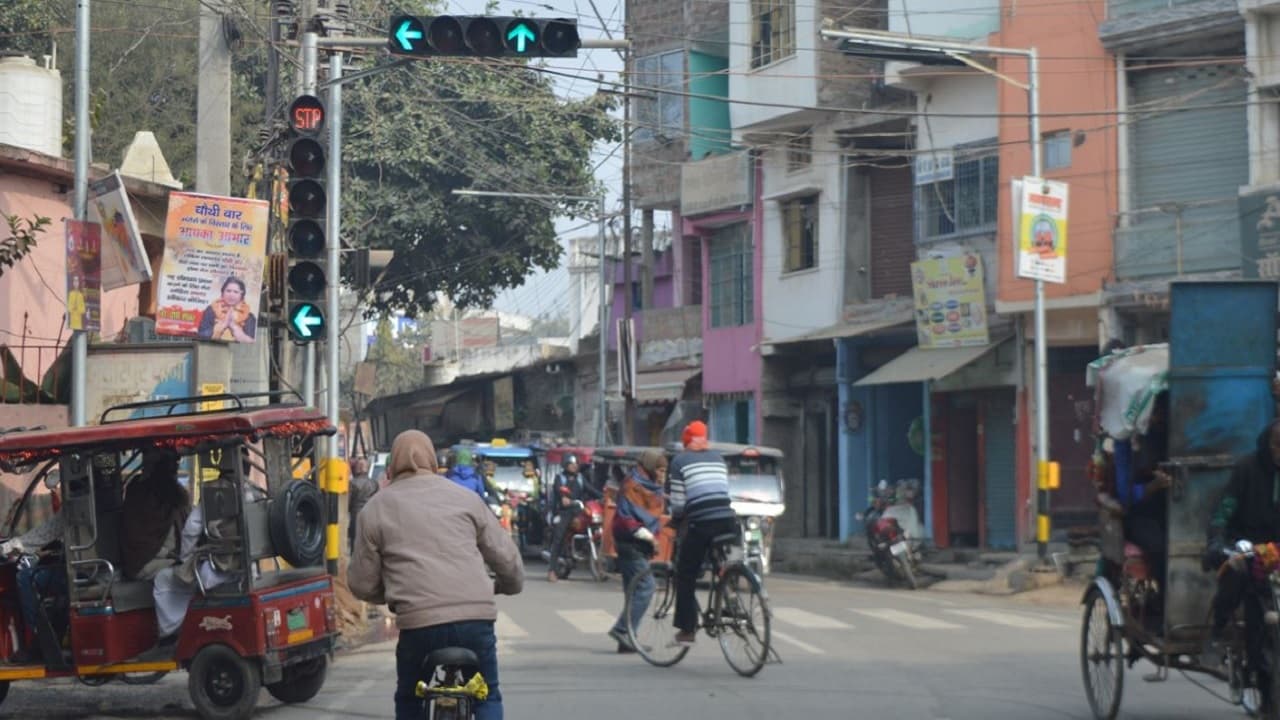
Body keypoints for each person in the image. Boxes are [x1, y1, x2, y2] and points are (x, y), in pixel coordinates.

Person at [348, 430, 523, 720]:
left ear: (392, 466)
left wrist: (394, 593)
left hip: (418, 626)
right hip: (475, 622)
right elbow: (507, 559)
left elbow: (361, 583)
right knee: (487, 694)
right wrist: (506, 585)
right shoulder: (466, 498)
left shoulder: (374, 509)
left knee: (408, 698)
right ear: (433, 461)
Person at [1205, 419, 1280, 714]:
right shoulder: (1247, 470)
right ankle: (1217, 630)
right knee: (1238, 576)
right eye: (1276, 445)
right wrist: (1218, 539)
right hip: (1247, 545)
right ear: (1267, 445)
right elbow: (1224, 509)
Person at [667, 420, 737, 647]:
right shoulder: (718, 458)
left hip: (702, 523)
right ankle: (730, 598)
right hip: (728, 520)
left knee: (685, 573)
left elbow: (678, 504)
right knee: (720, 562)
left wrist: (675, 521)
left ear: (686, 440)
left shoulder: (679, 461)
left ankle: (687, 630)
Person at [607, 449, 666, 654]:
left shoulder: (651, 486)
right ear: (650, 467)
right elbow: (626, 519)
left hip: (638, 546)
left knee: (632, 591)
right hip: (630, 543)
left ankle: (627, 640)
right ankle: (622, 630)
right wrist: (650, 537)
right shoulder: (633, 485)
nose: (662, 474)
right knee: (646, 587)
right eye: (659, 469)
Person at [120, 448, 189, 581]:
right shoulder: (140, 493)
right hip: (144, 563)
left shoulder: (177, 494)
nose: (174, 472)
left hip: (170, 558)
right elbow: (138, 539)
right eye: (171, 468)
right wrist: (170, 555)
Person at [545, 453, 600, 583]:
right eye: (571, 464)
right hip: (565, 512)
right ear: (565, 465)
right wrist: (564, 498)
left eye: (576, 464)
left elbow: (591, 490)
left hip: (579, 510)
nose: (574, 466)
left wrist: (603, 496)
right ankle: (552, 570)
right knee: (558, 537)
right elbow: (559, 490)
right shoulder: (560, 478)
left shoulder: (581, 478)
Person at [197, 276, 256, 343]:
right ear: (222, 293)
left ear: (241, 296)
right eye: (228, 291)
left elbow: (251, 342)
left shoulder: (249, 317)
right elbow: (201, 335)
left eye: (236, 292)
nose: (231, 295)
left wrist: (233, 326)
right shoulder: (211, 310)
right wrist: (222, 326)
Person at [348, 457, 379, 554]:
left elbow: (348, 502)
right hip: (371, 515)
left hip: (356, 515)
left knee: (355, 542)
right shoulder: (374, 483)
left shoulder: (352, 484)